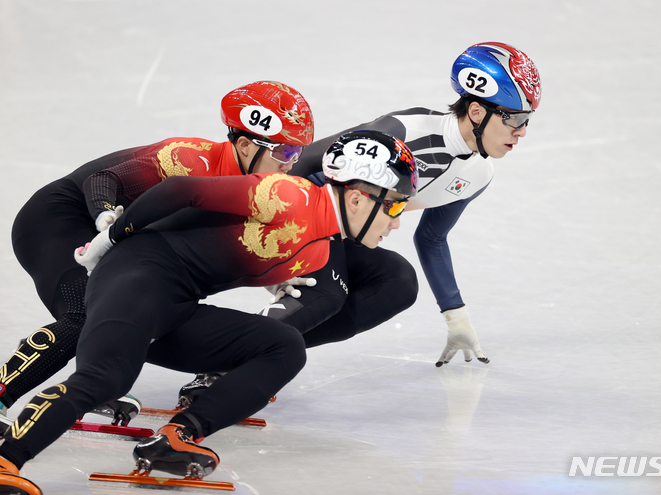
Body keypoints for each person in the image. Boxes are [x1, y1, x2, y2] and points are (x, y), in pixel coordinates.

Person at [0, 129, 418, 494]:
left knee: (284, 346)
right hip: (139, 277)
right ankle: (8, 458)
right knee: (104, 377)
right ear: (360, 198)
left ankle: (176, 436)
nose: (397, 222)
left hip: (176, 304)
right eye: (395, 206)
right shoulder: (290, 195)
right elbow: (181, 190)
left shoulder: (320, 247)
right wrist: (107, 241)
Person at [0, 81, 312, 431]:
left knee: (136, 307)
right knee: (86, 313)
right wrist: (105, 218)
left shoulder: (253, 191)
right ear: (243, 145)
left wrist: (269, 275)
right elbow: (102, 179)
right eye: (284, 153)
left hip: (118, 240)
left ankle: (95, 381)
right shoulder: (188, 158)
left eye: (297, 153)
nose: (291, 164)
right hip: (59, 219)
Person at [260, 42, 542, 366]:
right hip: (304, 217)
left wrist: (456, 315)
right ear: (477, 112)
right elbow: (305, 162)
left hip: (349, 232)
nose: (522, 132)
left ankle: (259, 353)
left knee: (397, 284)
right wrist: (279, 235)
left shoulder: (479, 174)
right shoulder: (405, 130)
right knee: (330, 292)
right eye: (515, 119)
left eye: (527, 120)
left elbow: (431, 238)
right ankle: (223, 368)